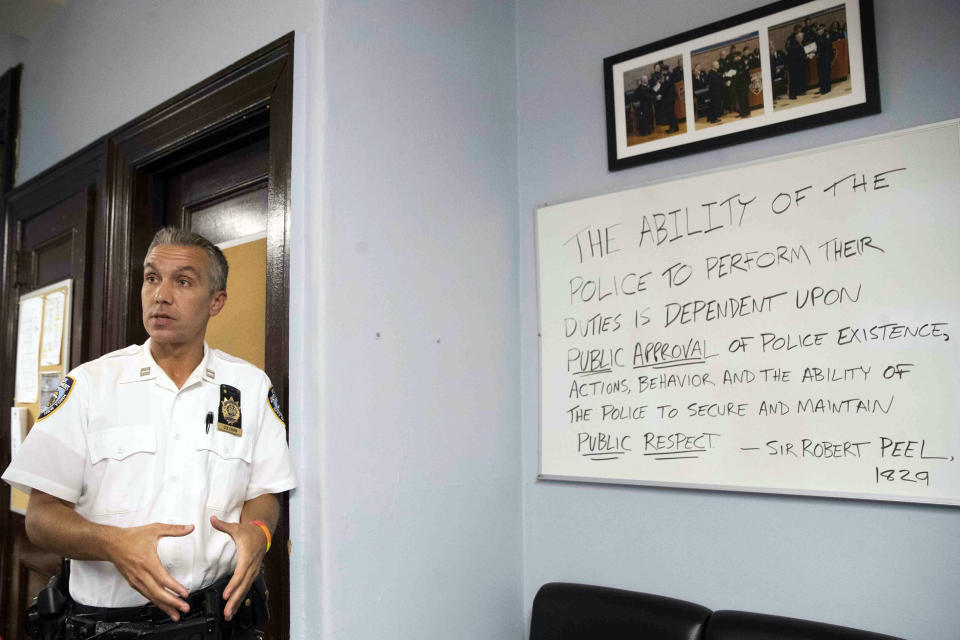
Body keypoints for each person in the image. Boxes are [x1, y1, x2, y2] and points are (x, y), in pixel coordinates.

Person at [3, 228, 296, 639]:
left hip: (220, 624)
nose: (161, 294)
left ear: (216, 301)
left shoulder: (249, 388)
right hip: (109, 627)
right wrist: (113, 544)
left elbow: (264, 492)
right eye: (152, 277)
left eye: (183, 281)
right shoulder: (90, 386)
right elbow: (40, 519)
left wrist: (259, 533)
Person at [786, 29, 808, 99]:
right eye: (801, 37)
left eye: (802, 37)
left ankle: (799, 91)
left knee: (799, 78)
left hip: (797, 65)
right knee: (793, 80)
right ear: (797, 38)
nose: (802, 39)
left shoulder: (798, 43)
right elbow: (797, 55)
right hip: (794, 65)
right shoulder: (795, 44)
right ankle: (792, 94)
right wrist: (806, 56)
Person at [815, 24, 835, 94]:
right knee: (821, 73)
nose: (819, 31)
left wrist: (817, 50)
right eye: (817, 30)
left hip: (826, 56)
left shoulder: (826, 35)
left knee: (826, 72)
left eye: (820, 30)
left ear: (823, 29)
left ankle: (827, 88)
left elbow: (827, 45)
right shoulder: (817, 37)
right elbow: (817, 47)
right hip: (820, 57)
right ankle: (822, 87)